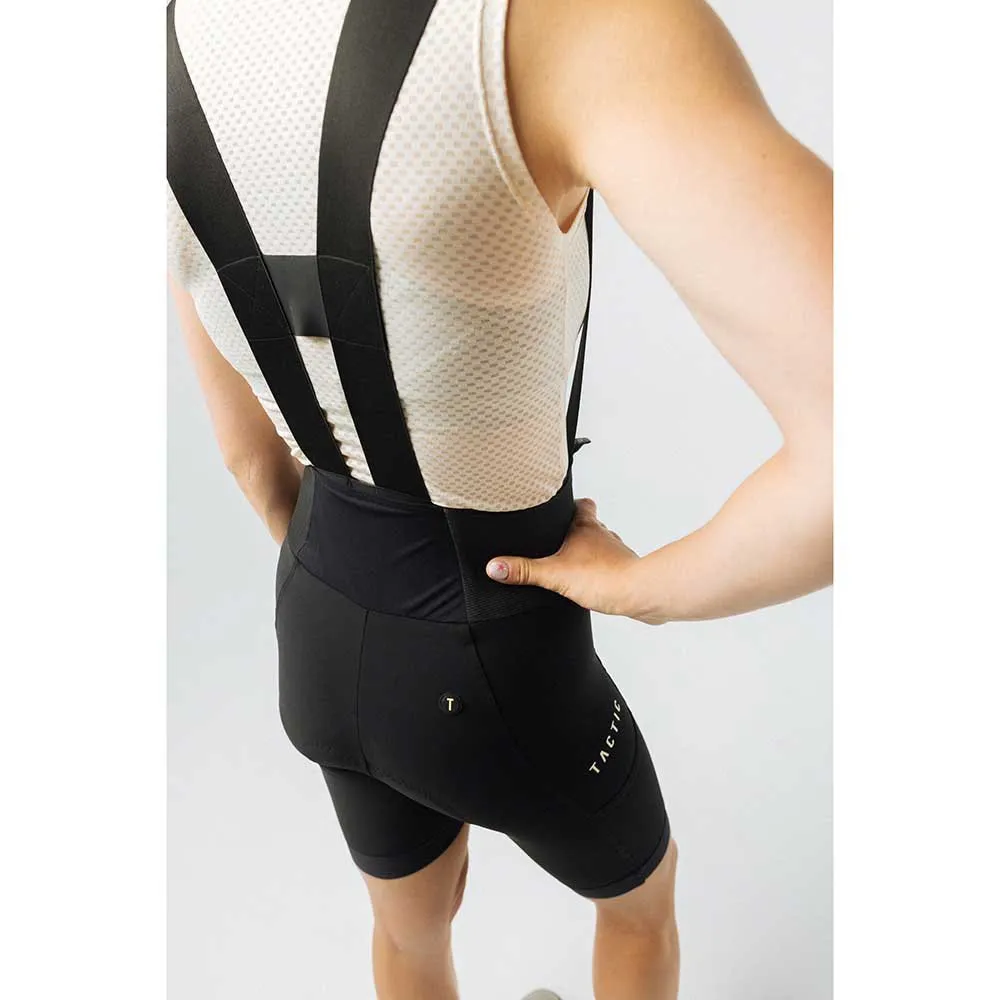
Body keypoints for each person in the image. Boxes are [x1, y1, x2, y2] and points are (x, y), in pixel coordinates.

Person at [166, 0, 831, 998]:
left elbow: (246, 456)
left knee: (410, 935)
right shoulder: (577, 22)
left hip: (314, 625)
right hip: (497, 647)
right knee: (640, 906)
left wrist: (344, 583)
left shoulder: (162, 45)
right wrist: (642, 587)